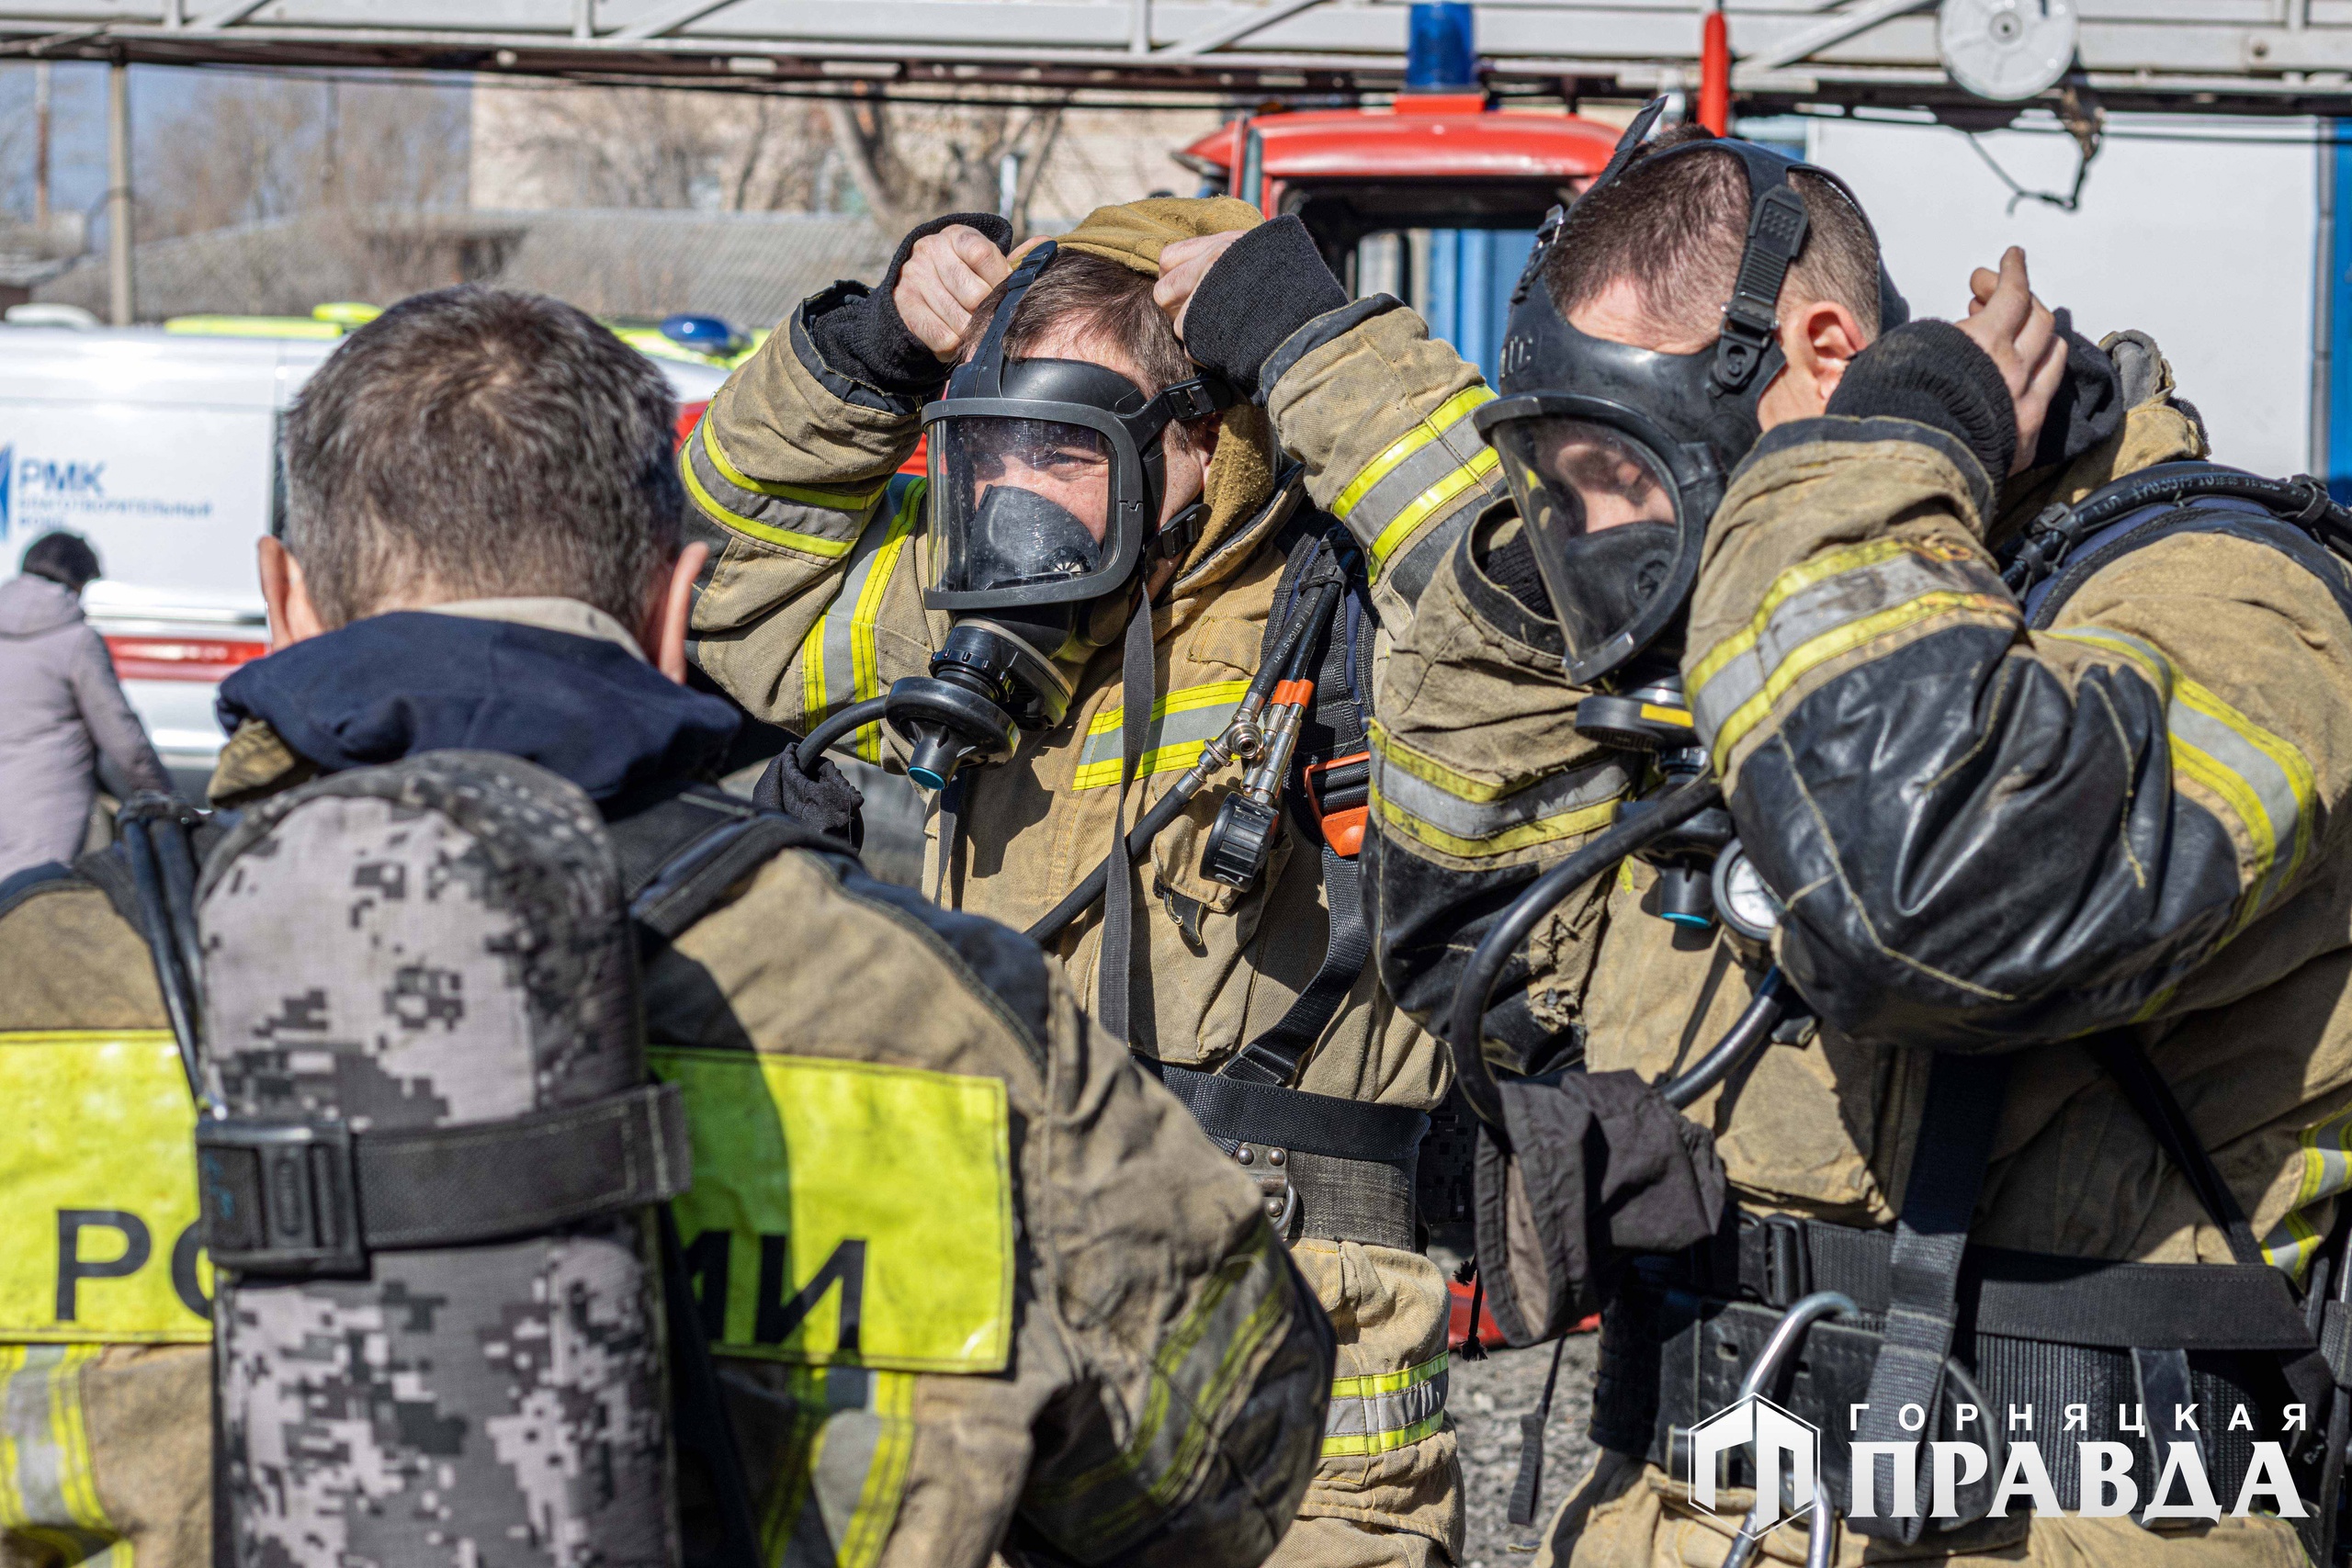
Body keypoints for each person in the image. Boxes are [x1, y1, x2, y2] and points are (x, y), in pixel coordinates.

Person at [0, 284, 1331, 1568]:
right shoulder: (941, 1009)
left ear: (284, 596)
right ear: (669, 606)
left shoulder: (35, 983)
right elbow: (1224, 1472)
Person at [1347, 107, 2352, 1567]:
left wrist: (1882, 454)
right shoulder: (1764, 628)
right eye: (1564, 483)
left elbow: (1933, 903)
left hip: (2071, 1523)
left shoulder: (2223, 596)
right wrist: (1522, 579)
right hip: (1691, 1505)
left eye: (1620, 470)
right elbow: (1468, 941)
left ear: (1824, 356)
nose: (1607, 532)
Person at [683, 196, 1510, 1563]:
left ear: (1207, 434)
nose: (1014, 499)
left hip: (1292, 1410)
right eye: (990, 447)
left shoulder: (1371, 626)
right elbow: (733, 594)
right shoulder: (987, 615)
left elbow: (1524, 591)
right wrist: (866, 354)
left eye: (1062, 452)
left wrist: (1312, 338)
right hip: (993, 1373)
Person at [0, 530, 170, 880]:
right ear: (77, 583)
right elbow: (125, 743)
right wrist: (164, 797)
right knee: (32, 917)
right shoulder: (77, 641)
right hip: (46, 818)